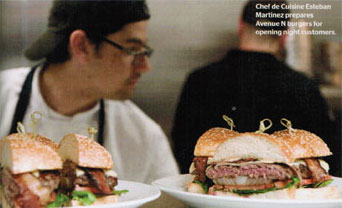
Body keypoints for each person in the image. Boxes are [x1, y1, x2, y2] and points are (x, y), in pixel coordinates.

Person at [0, 0, 179, 184]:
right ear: (81, 46)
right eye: (132, 50)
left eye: (144, 52)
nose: (145, 67)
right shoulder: (4, 94)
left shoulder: (144, 137)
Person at [171, 0, 341, 176]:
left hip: (208, 196)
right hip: (286, 199)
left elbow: (182, 147)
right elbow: (330, 157)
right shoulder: (305, 87)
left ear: (240, 26)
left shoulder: (199, 80)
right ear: (285, 36)